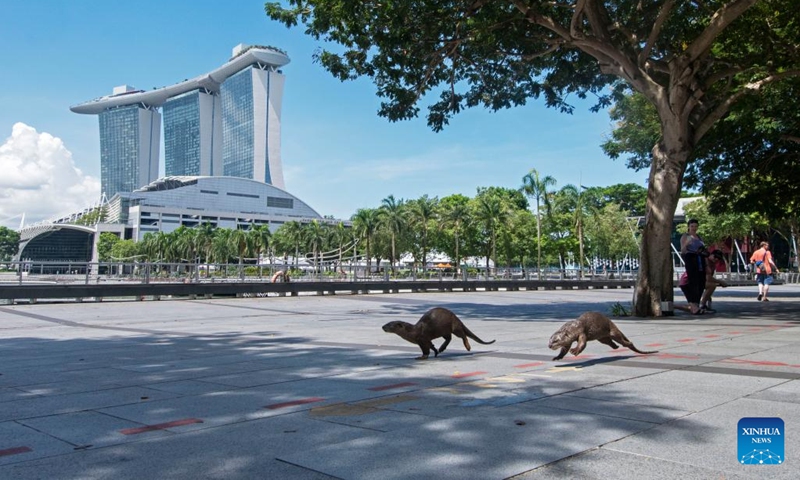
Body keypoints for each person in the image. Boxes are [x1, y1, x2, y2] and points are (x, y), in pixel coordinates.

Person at [680, 219, 708, 314]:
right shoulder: (685, 236)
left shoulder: (699, 237)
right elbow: (683, 250)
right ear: (688, 227)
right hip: (691, 258)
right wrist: (687, 243)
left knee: (701, 283)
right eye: (692, 226)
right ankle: (693, 305)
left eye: (695, 226)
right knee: (693, 282)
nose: (694, 228)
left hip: (700, 259)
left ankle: (696, 303)